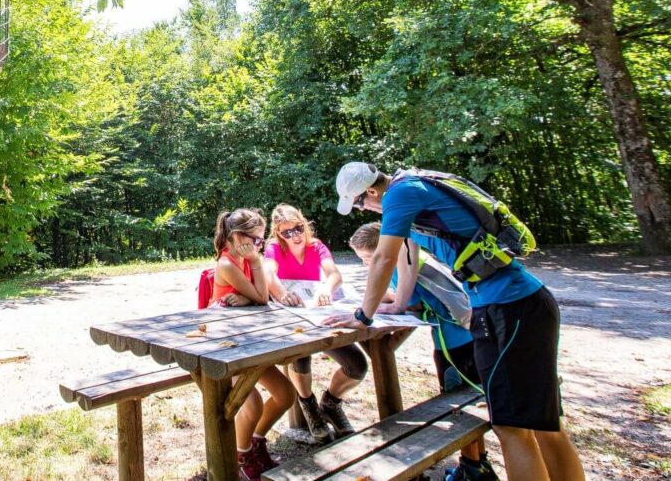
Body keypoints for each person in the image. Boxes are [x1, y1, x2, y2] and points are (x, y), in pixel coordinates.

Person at [328, 162, 586, 481]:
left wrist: (362, 316)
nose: (363, 210)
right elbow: (405, 263)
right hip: (518, 305)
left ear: (370, 191)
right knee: (543, 424)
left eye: (359, 203)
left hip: (507, 309)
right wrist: (397, 304)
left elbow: (383, 257)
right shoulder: (413, 186)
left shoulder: (399, 194)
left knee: (512, 427)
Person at [349, 222, 499, 481]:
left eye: (367, 259)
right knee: (472, 401)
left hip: (452, 344)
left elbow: (411, 303)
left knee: (460, 409)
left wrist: (381, 301)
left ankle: (472, 468)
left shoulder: (396, 266)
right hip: (471, 336)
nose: (366, 266)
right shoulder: (414, 257)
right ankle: (479, 463)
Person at [262, 204, 367, 442]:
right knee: (301, 355)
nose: (294, 236)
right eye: (286, 232)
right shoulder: (274, 248)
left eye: (297, 229)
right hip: (293, 319)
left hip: (319, 314)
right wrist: (281, 293)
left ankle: (331, 403)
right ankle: (308, 404)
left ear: (304, 224)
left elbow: (334, 274)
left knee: (357, 365)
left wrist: (326, 288)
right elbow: (268, 274)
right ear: (278, 233)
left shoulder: (316, 245)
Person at [210, 209, 296, 480]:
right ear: (237, 237)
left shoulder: (244, 259)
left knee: (285, 394)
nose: (259, 246)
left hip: (250, 344)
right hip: (226, 348)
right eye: (256, 240)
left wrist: (250, 298)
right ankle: (242, 452)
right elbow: (262, 297)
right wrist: (257, 265)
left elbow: (262, 298)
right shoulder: (227, 264)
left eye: (260, 241)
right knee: (253, 403)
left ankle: (256, 442)